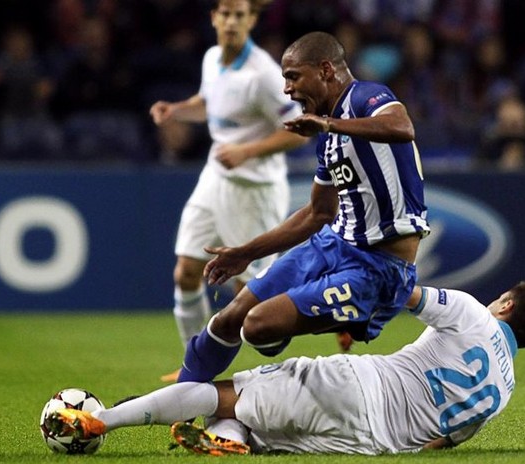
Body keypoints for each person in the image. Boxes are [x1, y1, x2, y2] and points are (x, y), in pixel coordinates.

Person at [171, 30, 430, 384]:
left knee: (258, 326)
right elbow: (316, 213)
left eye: (293, 77)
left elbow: (402, 126)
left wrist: (327, 123)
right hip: (332, 244)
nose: (287, 89)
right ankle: (178, 396)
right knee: (229, 318)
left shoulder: (365, 97)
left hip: (379, 267)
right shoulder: (328, 140)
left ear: (325, 70)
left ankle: (355, 313)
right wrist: (245, 253)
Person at [45, 281, 525, 456]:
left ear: (507, 305)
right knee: (252, 425)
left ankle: (98, 420)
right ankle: (230, 441)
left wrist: (338, 304)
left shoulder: (471, 313)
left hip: (359, 385)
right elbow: (438, 443)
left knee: (222, 393)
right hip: (370, 444)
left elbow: (400, 290)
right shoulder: (504, 391)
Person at [148, 0, 308, 381]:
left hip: (255, 190)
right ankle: (193, 365)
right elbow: (209, 103)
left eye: (240, 15)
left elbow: (300, 129)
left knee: (247, 295)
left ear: (251, 20)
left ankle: (310, 328)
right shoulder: (211, 59)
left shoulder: (263, 74)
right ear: (214, 18)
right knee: (186, 272)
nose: (232, 21)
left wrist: (246, 151)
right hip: (215, 178)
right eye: (226, 14)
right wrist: (176, 110)